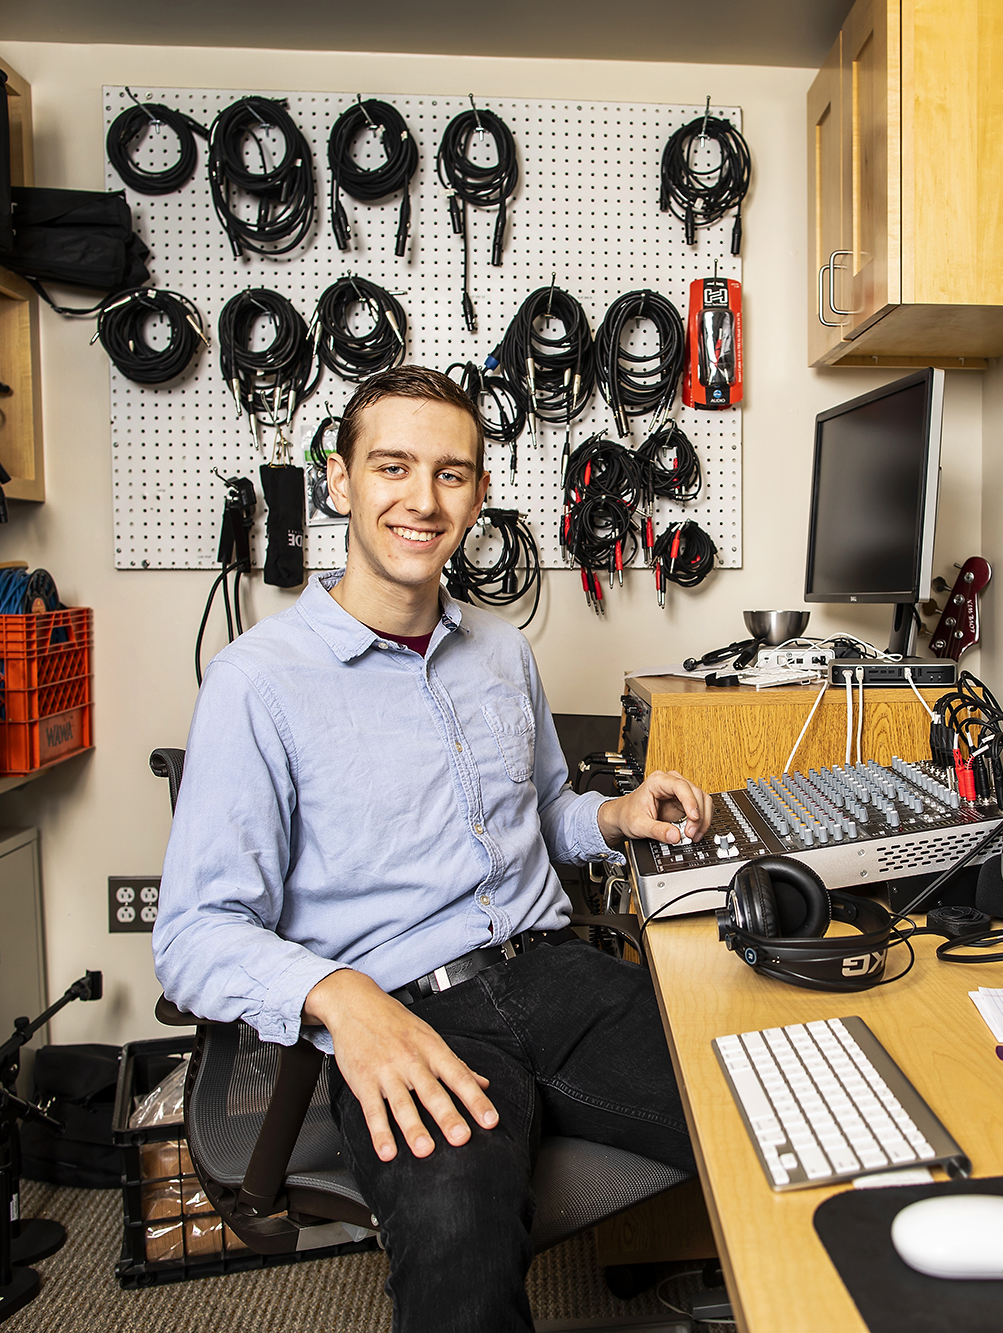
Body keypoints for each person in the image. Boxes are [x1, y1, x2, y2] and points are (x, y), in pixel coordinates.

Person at [154, 366, 708, 1331]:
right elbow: (195, 934)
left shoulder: (501, 653)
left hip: (556, 976)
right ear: (339, 481)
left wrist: (612, 817)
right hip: (405, 1011)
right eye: (393, 467)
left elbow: (537, 813)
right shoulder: (258, 682)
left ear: (480, 496)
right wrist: (341, 998)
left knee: (770, 1099)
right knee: (459, 1245)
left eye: (451, 473)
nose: (422, 498)